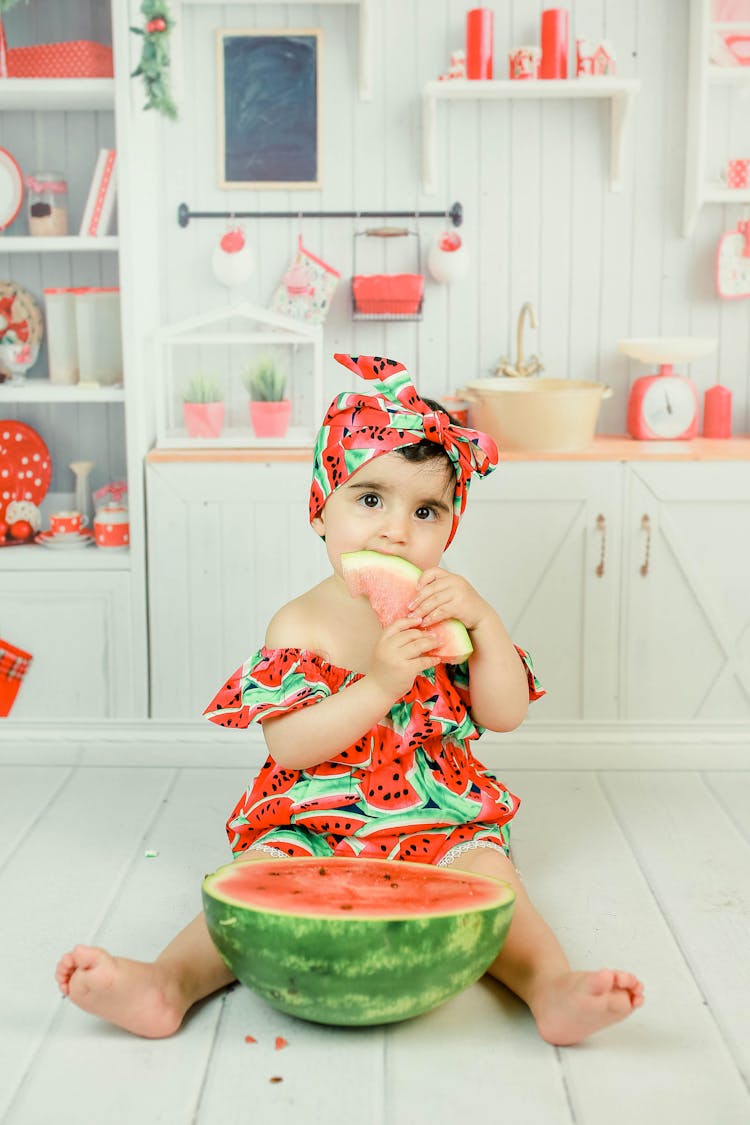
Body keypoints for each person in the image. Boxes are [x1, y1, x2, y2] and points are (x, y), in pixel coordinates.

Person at [56, 353, 644, 1044]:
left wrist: (487, 624)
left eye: (425, 510)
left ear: (449, 528)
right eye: (371, 499)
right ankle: (168, 982)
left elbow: (504, 714)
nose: (396, 529)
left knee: (493, 873)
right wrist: (382, 684)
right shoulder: (299, 622)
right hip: (314, 813)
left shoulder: (443, 610)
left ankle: (549, 986)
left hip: (437, 810)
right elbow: (290, 744)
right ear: (320, 510)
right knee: (253, 880)